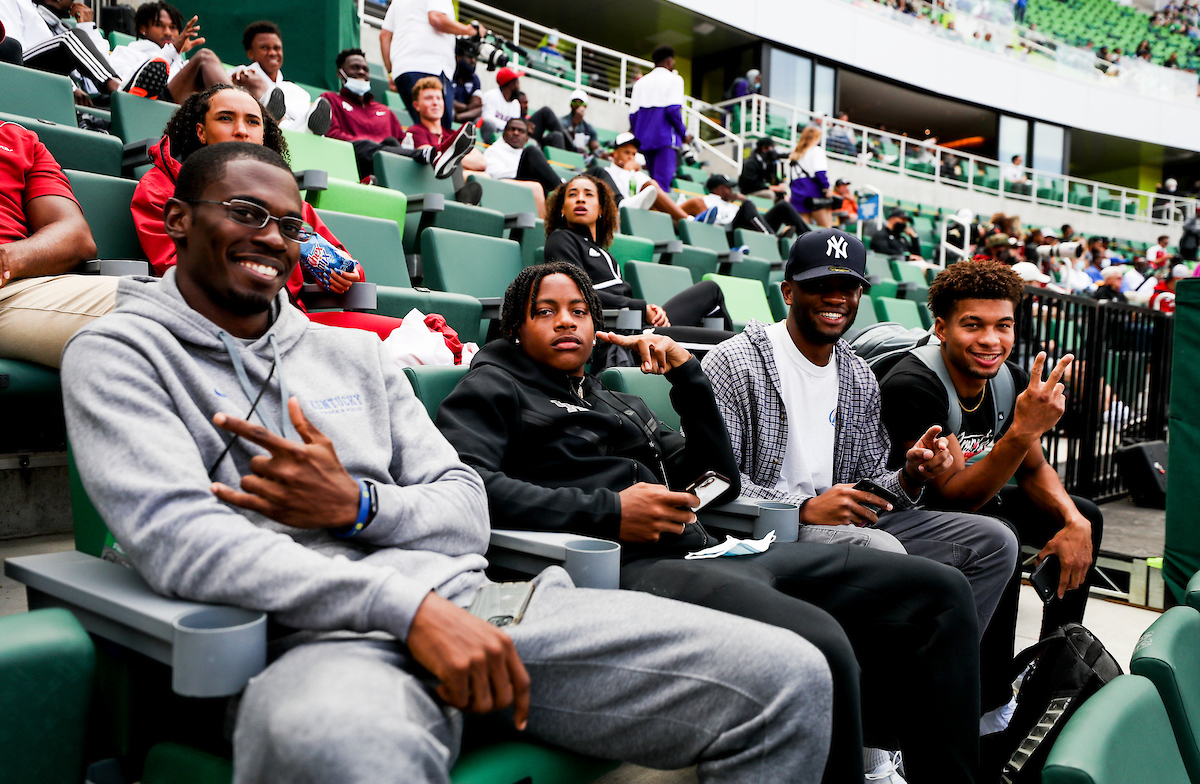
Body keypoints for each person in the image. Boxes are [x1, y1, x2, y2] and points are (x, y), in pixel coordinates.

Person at [63, 142, 835, 784]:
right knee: (337, 749)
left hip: (480, 603)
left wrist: (359, 507)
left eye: (290, 225)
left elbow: (465, 504)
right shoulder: (119, 355)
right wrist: (403, 610)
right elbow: (182, 540)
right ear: (176, 218)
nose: (270, 237)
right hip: (304, 638)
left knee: (788, 678)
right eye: (245, 213)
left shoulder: (355, 354)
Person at [435, 260, 984, 784]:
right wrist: (612, 513)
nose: (566, 322)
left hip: (718, 547)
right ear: (513, 327)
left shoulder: (612, 400)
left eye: (579, 311)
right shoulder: (492, 389)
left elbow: (719, 481)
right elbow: (471, 487)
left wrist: (688, 378)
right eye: (545, 311)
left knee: (940, 593)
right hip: (633, 565)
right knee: (822, 643)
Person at [701, 229, 1018, 638]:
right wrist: (802, 508)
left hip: (846, 524)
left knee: (995, 540)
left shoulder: (857, 375)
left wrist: (909, 476)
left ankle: (940, 674)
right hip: (766, 530)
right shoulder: (735, 361)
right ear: (788, 292)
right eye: (820, 285)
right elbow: (708, 484)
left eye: (848, 287)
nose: (836, 298)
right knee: (882, 552)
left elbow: (871, 484)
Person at [878, 261, 1102, 742]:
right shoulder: (913, 385)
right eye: (972, 325)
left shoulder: (1007, 377)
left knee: (1088, 517)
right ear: (941, 328)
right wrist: (1023, 429)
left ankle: (1054, 668)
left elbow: (1035, 467)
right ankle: (987, 707)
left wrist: (1072, 520)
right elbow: (955, 498)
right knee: (998, 528)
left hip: (972, 501)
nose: (990, 341)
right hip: (907, 518)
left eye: (1003, 326)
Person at [130, 84, 402, 339]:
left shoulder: (281, 194)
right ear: (201, 131)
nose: (241, 130)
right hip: (213, 328)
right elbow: (181, 271)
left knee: (429, 337)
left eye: (252, 121)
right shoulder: (162, 188)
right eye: (225, 118)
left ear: (263, 135)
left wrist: (345, 274)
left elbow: (353, 269)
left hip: (294, 323)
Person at [541, 175, 731, 331]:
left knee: (711, 304)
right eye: (572, 195)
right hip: (621, 331)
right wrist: (640, 308)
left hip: (637, 323)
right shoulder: (561, 238)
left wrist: (650, 311)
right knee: (711, 293)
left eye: (589, 194)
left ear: (600, 209)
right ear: (562, 209)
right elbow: (576, 293)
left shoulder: (602, 252)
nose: (580, 199)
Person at [0, 120, 119, 367]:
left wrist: (8, 259)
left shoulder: (19, 139)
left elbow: (76, 236)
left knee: (180, 303)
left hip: (18, 287)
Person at [321, 56, 475, 181]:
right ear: (341, 73)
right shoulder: (330, 99)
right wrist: (374, 146)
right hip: (353, 159)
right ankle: (432, 154)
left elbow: (402, 145)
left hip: (387, 166)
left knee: (391, 143)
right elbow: (331, 136)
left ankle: (457, 189)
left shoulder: (384, 111)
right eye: (355, 67)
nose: (361, 72)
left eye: (365, 69)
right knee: (366, 145)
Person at [0, 0, 146, 104]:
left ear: (71, 3)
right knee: (71, 38)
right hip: (20, 71)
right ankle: (121, 90)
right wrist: (70, 87)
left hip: (53, 92)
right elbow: (11, 49)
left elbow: (96, 71)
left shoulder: (64, 29)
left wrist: (88, 26)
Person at [379, 0, 478, 127]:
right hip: (431, 68)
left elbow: (384, 36)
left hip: (402, 72)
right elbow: (436, 19)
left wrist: (391, 72)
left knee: (425, 128)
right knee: (438, 130)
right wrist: (469, 30)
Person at [106, 0, 231, 103]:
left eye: (173, 27)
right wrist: (173, 50)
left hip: (188, 109)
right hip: (155, 106)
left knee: (248, 79)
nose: (168, 32)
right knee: (204, 57)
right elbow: (124, 88)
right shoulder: (127, 52)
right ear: (143, 28)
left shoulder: (178, 58)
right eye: (160, 25)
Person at [238, 21, 332, 136]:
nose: (272, 53)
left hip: (299, 134)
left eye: (277, 48)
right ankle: (278, 120)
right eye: (264, 48)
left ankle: (305, 129)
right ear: (250, 53)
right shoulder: (241, 74)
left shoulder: (296, 91)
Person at [629, 45, 690, 192]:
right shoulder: (675, 80)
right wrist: (684, 133)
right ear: (669, 62)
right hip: (664, 140)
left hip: (643, 140)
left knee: (651, 183)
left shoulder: (640, 82)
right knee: (661, 185)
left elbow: (632, 116)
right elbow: (673, 111)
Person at [588, 132, 690, 220]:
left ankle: (689, 220)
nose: (630, 157)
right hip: (625, 214)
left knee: (697, 202)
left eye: (633, 154)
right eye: (626, 152)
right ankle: (689, 220)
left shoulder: (637, 174)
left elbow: (655, 195)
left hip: (647, 213)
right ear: (615, 153)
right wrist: (627, 170)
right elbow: (621, 198)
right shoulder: (606, 173)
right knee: (651, 185)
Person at [681, 174, 810, 239]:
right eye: (729, 188)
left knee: (783, 206)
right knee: (748, 205)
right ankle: (773, 239)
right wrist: (745, 201)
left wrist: (744, 199)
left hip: (749, 226)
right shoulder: (705, 201)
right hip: (730, 232)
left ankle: (810, 238)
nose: (733, 190)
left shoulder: (731, 203)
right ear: (719, 189)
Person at [483, 119, 565, 219]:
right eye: (512, 129)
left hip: (535, 188)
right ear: (504, 134)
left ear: (526, 139)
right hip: (511, 188)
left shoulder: (525, 154)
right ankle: (564, 191)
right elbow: (494, 175)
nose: (516, 133)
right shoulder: (494, 150)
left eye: (521, 131)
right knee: (531, 151)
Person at [787, 125, 836, 229]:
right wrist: (827, 189)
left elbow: (789, 179)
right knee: (826, 230)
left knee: (803, 231)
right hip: (813, 192)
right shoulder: (816, 151)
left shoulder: (794, 155)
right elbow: (820, 173)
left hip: (797, 193)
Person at [479, 66, 523, 142]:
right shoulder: (491, 95)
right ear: (511, 84)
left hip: (506, 135)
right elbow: (486, 118)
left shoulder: (516, 104)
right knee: (490, 125)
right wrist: (508, 126)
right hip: (489, 133)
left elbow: (516, 125)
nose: (519, 87)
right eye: (517, 83)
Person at [559, 90, 601, 156]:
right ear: (571, 105)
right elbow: (563, 140)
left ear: (585, 106)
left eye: (581, 103)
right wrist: (575, 122)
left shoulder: (589, 128)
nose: (578, 105)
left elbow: (595, 149)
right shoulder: (561, 122)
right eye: (575, 102)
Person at [449, 41, 482, 124]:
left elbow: (477, 105)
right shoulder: (448, 74)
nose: (473, 61)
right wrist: (467, 107)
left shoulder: (474, 79)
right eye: (470, 57)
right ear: (458, 57)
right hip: (448, 113)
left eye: (475, 58)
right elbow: (447, 100)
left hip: (466, 116)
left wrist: (461, 114)